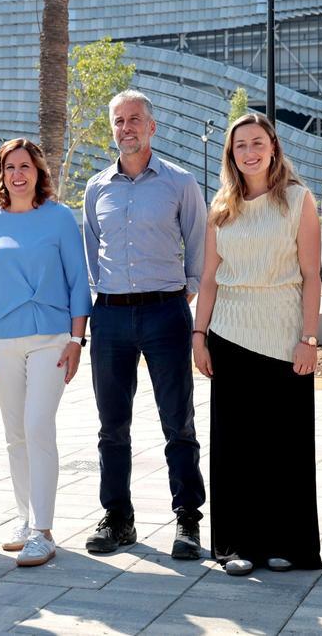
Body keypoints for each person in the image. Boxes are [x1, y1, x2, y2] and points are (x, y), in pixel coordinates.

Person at [192, 113, 322, 575]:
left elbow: (312, 277)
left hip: (285, 337)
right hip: (228, 336)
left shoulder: (298, 200)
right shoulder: (221, 207)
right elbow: (208, 278)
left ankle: (289, 543)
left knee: (284, 447)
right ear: (232, 154)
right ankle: (236, 545)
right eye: (240, 145)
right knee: (235, 448)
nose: (249, 152)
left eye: (257, 143)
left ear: (273, 147)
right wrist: (199, 336)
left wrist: (310, 339)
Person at [83, 89, 207, 560]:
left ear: (152, 126)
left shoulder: (179, 183)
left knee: (178, 422)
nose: (127, 128)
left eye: (135, 119)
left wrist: (185, 291)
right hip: (111, 314)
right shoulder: (96, 188)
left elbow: (197, 243)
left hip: (165, 312)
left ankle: (188, 521)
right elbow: (93, 251)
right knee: (111, 426)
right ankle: (118, 518)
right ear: (112, 129)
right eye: (119, 121)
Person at [0, 138, 91, 567]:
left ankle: (44, 530)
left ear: (39, 172)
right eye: (9, 167)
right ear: (0, 174)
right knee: (15, 434)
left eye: (25, 166)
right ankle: (24, 519)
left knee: (38, 426)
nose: (17, 174)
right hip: (1, 340)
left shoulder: (58, 218)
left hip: (51, 338)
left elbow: (78, 282)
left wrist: (77, 340)